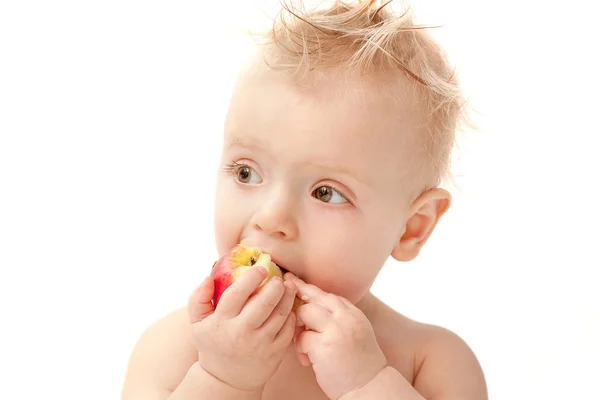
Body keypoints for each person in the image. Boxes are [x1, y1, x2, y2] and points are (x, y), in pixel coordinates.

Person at [121, 1, 487, 398]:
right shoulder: (176, 351)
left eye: (326, 193)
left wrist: (366, 384)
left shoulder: (429, 363)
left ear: (412, 227)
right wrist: (222, 378)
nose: (271, 216)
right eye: (247, 173)